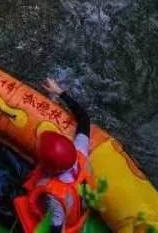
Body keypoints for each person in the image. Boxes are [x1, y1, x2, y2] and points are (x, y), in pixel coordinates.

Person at [13, 78, 97, 233]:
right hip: (81, 203)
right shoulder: (80, 151)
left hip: (70, 223)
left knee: (14, 194)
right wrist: (59, 92)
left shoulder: (54, 197)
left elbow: (56, 228)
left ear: (50, 169)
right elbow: (84, 118)